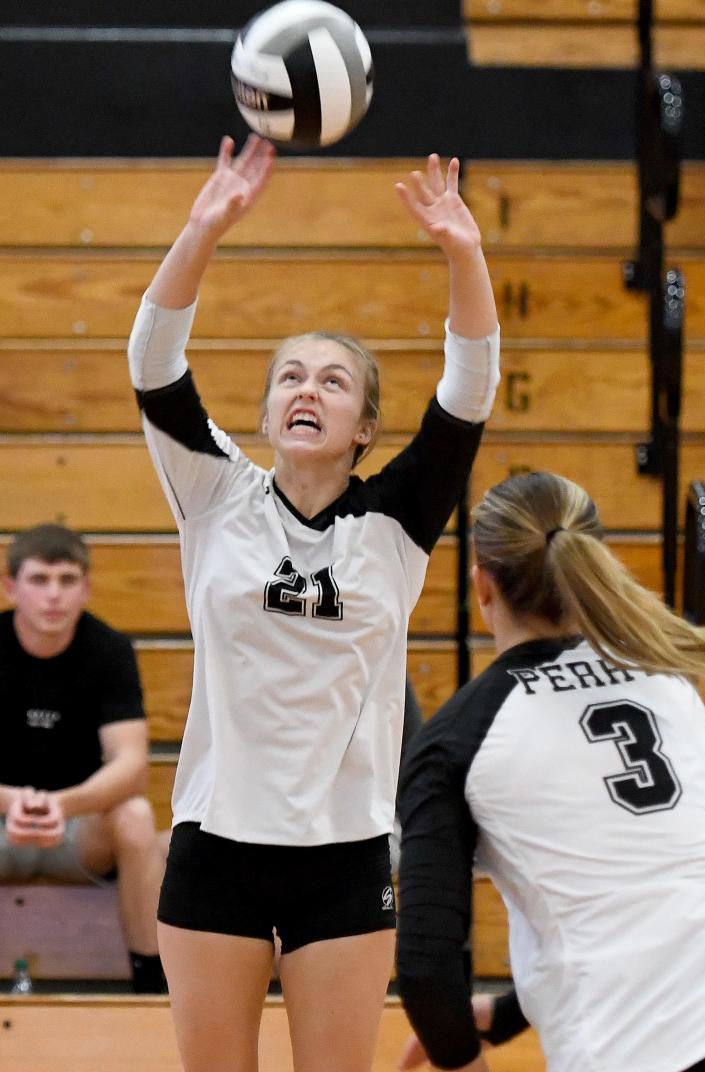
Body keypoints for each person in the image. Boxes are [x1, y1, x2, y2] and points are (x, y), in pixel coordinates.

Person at [127, 134, 499, 1072]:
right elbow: (153, 358)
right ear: (263, 415)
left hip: (346, 854)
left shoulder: (398, 521)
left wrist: (464, 252)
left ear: (364, 427)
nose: (308, 389)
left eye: (334, 381)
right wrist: (204, 227)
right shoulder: (213, 491)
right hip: (215, 846)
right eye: (291, 375)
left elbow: (469, 389)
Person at [395, 470, 705, 1072]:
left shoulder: (458, 737)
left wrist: (458, 1051)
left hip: (630, 1046)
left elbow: (428, 970)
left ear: (482, 585)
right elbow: (641, 895)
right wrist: (511, 1012)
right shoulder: (669, 683)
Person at [0, 523, 166, 993]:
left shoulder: (108, 651)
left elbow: (131, 767)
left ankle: (152, 987)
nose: (54, 595)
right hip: (1, 820)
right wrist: (14, 801)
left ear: (87, 587)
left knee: (135, 816)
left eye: (67, 580)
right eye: (39, 580)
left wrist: (62, 806)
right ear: (11, 586)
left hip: (77, 833)